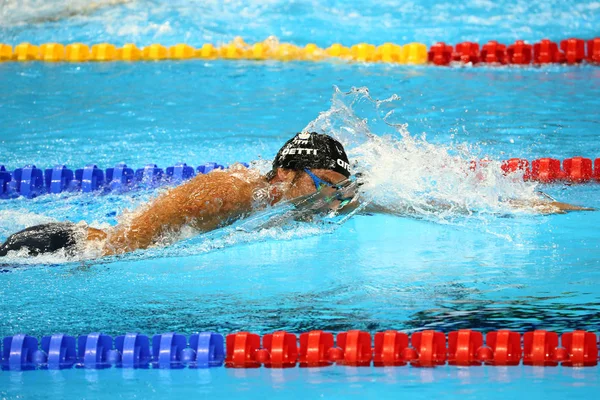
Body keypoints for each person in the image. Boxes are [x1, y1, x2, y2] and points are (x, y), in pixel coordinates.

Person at [0, 132, 594, 258]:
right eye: (325, 189)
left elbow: (432, 205)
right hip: (77, 242)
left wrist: (539, 205)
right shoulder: (221, 195)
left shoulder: (317, 196)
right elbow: (127, 243)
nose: (331, 205)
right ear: (289, 175)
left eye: (341, 192)